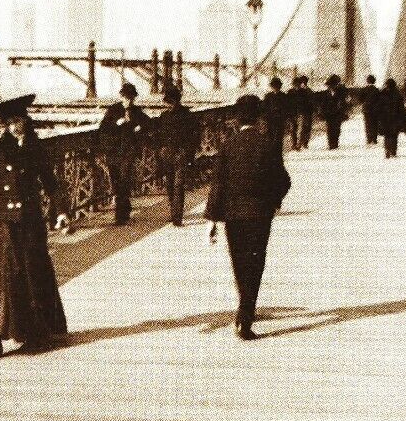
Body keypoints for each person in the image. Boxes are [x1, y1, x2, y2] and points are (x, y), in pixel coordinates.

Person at [0, 94, 71, 357]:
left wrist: (61, 212)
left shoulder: (36, 148)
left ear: (26, 121)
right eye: (9, 122)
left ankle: (38, 333)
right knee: (2, 275)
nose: (14, 127)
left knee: (32, 272)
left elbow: (51, 183)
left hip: (30, 219)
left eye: (18, 121)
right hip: (1, 218)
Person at [205, 94, 291, 340]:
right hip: (259, 213)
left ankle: (243, 306)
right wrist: (273, 202)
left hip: (233, 214)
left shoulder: (228, 145)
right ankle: (245, 316)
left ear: (237, 118)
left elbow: (218, 184)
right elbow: (283, 180)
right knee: (256, 262)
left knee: (239, 262)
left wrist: (212, 219)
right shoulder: (268, 144)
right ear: (259, 117)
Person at [98, 81, 150, 224]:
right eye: (127, 98)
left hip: (128, 152)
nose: (129, 101)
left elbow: (148, 123)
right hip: (114, 152)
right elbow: (103, 129)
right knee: (117, 184)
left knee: (124, 181)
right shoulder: (113, 110)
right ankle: (125, 211)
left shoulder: (136, 111)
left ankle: (120, 217)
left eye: (131, 99)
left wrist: (139, 127)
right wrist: (116, 124)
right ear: (121, 97)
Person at [150, 81, 195, 226]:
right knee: (170, 184)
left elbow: (193, 137)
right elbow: (156, 134)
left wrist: (188, 154)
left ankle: (177, 216)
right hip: (169, 153)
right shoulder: (167, 116)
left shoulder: (186, 116)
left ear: (176, 101)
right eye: (167, 103)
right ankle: (174, 212)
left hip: (179, 154)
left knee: (177, 185)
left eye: (170, 102)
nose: (168, 105)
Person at [379, 76, 406, 158]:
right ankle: (393, 151)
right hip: (395, 118)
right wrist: (404, 121)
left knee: (387, 135)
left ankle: (387, 149)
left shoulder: (382, 94)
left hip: (385, 118)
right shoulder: (398, 94)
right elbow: (402, 108)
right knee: (394, 135)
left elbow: (379, 107)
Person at [320, 73, 349, 150]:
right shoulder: (325, 93)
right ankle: (330, 144)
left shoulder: (340, 93)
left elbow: (344, 103)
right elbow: (323, 104)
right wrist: (322, 113)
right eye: (330, 85)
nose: (331, 87)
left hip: (337, 113)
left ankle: (335, 143)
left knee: (337, 129)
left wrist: (343, 111)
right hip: (329, 113)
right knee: (329, 129)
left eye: (333, 85)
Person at [288, 74, 315, 150]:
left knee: (301, 129)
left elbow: (308, 103)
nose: (296, 85)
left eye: (297, 84)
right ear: (293, 84)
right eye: (295, 84)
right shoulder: (290, 92)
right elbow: (287, 103)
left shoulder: (304, 92)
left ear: (300, 84)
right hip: (292, 113)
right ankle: (294, 144)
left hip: (301, 113)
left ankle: (298, 144)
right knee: (292, 129)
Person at [262, 75, 287, 150]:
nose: (275, 87)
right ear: (271, 86)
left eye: (277, 86)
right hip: (270, 120)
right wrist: (265, 117)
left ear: (280, 86)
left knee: (279, 138)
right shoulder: (268, 96)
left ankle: (278, 152)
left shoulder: (284, 96)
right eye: (274, 86)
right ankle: (271, 153)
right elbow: (264, 108)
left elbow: (286, 108)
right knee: (270, 137)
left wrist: (285, 117)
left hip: (280, 120)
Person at [359, 73, 382, 144]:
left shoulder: (364, 89)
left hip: (366, 109)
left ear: (367, 81)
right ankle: (374, 139)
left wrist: (365, 103)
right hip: (375, 110)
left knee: (367, 124)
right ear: (374, 81)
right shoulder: (377, 90)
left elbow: (360, 99)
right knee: (375, 124)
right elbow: (380, 100)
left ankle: (369, 138)